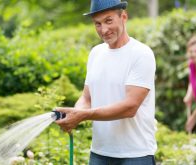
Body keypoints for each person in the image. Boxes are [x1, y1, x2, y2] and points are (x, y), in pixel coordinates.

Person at [55, 0, 157, 164]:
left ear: (123, 17)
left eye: (108, 21)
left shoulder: (141, 54)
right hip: (99, 153)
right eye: (98, 24)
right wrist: (75, 113)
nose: (104, 30)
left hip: (135, 155)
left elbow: (130, 107)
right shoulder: (96, 53)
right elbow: (87, 98)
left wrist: (83, 115)